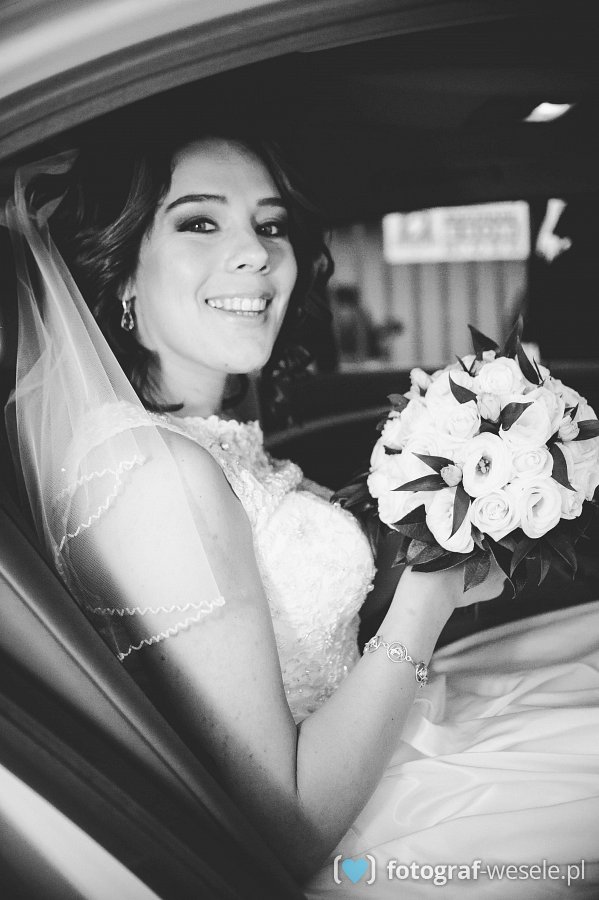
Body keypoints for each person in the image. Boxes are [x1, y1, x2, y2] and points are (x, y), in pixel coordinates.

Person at [3, 131, 599, 899]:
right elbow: (283, 830)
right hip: (358, 824)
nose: (254, 252)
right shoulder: (154, 474)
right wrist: (427, 599)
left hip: (378, 740)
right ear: (121, 272)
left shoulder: (200, 441)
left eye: (271, 224)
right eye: (199, 221)